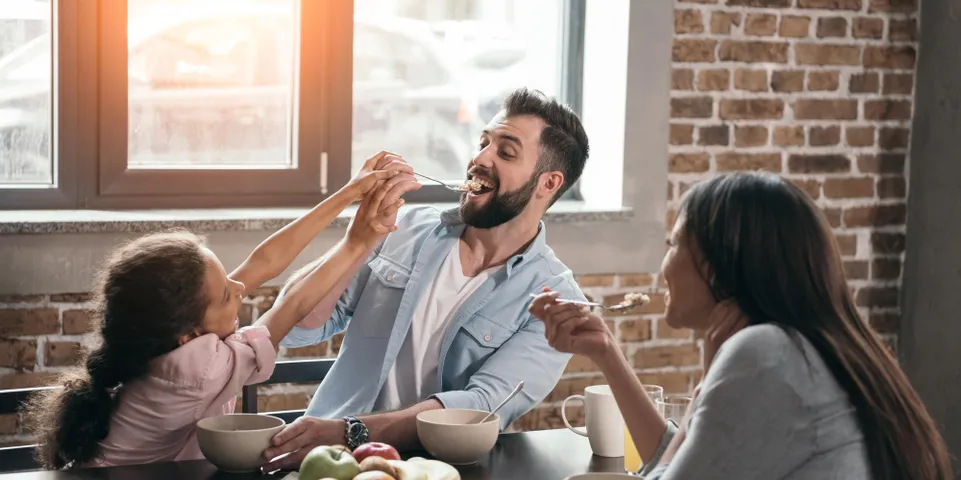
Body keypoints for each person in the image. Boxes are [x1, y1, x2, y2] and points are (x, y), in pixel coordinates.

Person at [530, 172, 953, 480]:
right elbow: (680, 461)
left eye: (674, 244)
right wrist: (606, 352)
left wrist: (712, 374)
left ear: (717, 267)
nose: (664, 266)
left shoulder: (766, 354)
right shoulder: (800, 348)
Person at [263, 88, 591, 470]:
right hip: (329, 461)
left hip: (439, 470)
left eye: (505, 152)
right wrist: (356, 241)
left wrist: (350, 431)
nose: (480, 158)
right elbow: (295, 325)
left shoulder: (559, 301)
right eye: (483, 142)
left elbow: (481, 406)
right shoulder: (406, 228)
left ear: (548, 183)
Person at [25, 153, 418, 469]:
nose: (241, 288)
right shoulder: (196, 370)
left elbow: (263, 261)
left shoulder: (167, 334)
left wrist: (348, 193)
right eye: (227, 296)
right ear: (188, 336)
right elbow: (294, 305)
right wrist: (357, 242)